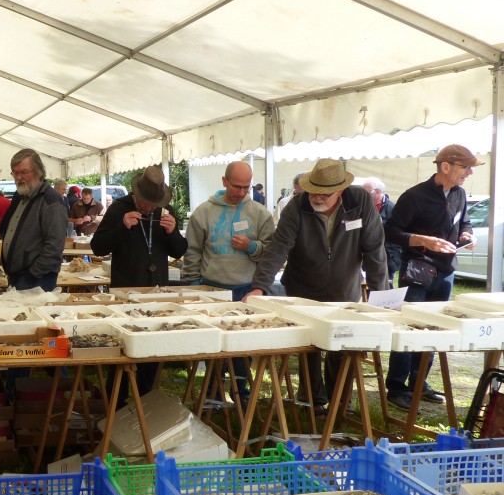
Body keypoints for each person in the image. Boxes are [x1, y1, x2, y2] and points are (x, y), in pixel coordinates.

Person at [245, 158, 387, 412]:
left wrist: (380, 297)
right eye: (313, 192)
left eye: (324, 194)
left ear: (340, 191)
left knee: (341, 344)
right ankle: (312, 400)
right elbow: (278, 249)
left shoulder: (360, 202)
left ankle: (340, 400)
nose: (316, 198)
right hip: (303, 289)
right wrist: (260, 287)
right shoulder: (296, 206)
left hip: (345, 289)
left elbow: (375, 249)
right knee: (309, 345)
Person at [383, 144, 481, 410]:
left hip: (446, 272)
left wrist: (467, 234)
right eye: (465, 167)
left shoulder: (460, 193)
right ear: (445, 167)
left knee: (434, 328)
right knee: (409, 328)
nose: (470, 173)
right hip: (416, 271)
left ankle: (419, 382)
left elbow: (464, 221)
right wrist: (422, 240)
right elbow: (391, 231)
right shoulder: (414, 196)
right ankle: (396, 387)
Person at [92, 165, 188, 405]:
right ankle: (115, 403)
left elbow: (179, 250)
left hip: (156, 293)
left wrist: (173, 232)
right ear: (136, 194)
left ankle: (147, 402)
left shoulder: (165, 211)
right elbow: (98, 247)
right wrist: (122, 228)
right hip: (125, 292)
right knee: (123, 350)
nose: (150, 208)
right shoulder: (119, 209)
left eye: (154, 204)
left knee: (152, 347)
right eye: (146, 203)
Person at [182, 162, 275, 401]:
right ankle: (213, 391)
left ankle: (241, 391)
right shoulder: (204, 212)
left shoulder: (260, 214)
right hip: (211, 288)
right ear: (224, 182)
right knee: (212, 344)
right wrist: (194, 283)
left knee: (242, 345)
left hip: (246, 290)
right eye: (236, 186)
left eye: (246, 187)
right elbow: (192, 251)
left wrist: (252, 246)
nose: (241, 192)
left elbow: (272, 253)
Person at [0, 149, 68, 291]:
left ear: (38, 172)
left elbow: (54, 247)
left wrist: (32, 274)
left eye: (24, 172)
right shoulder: (21, 196)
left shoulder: (51, 201)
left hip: (37, 280)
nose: (19, 177)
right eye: (15, 172)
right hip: (17, 277)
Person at [361, 176, 401, 288]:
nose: (363, 195)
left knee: (385, 286)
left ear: (377, 192)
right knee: (367, 285)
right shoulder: (364, 207)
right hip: (368, 255)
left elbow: (397, 234)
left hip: (387, 257)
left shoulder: (393, 209)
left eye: (366, 192)